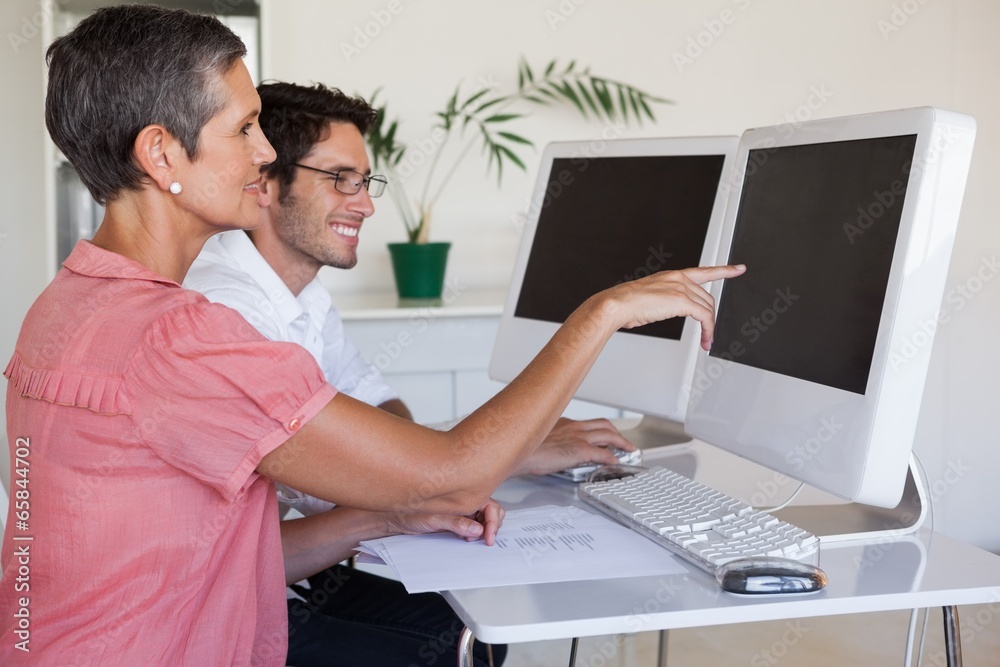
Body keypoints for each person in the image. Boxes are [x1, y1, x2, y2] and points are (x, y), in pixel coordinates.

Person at [0, 5, 744, 666]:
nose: (264, 154)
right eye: (244, 128)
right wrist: (599, 315)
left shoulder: (68, 303)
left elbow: (217, 559)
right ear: (161, 153)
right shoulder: (186, 338)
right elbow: (450, 471)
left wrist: (392, 510)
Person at [183, 81, 641, 666]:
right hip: (209, 614)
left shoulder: (299, 295)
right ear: (266, 180)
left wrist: (423, 468)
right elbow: (346, 474)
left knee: (473, 624)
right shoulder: (229, 310)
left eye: (365, 181)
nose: (366, 203)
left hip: (271, 576)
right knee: (454, 648)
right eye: (339, 178)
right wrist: (496, 457)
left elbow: (380, 408)